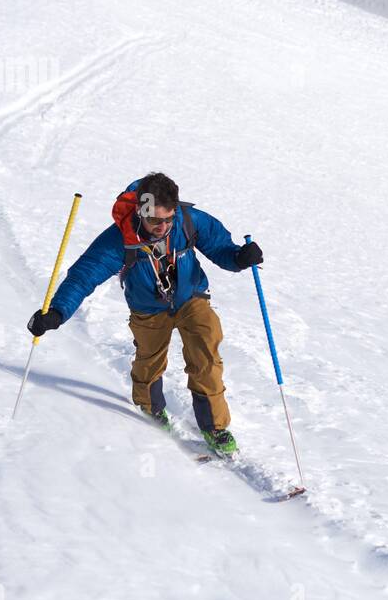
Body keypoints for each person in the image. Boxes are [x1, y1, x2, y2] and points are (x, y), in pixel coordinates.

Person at [26, 172, 263, 453]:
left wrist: (239, 258)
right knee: (149, 361)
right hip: (148, 308)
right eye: (154, 220)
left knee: (207, 351)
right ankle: (151, 408)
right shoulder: (118, 240)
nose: (162, 227)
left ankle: (214, 426)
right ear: (140, 211)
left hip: (191, 297)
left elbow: (220, 247)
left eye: (167, 219)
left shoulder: (189, 220)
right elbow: (83, 277)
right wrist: (57, 312)